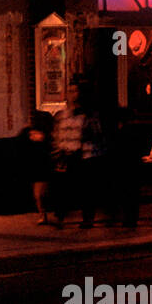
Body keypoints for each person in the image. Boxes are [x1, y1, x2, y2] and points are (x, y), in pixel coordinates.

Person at [52, 79, 105, 229]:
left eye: (75, 91)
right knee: (63, 188)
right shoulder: (62, 115)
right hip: (67, 155)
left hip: (84, 157)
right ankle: (60, 217)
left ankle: (88, 218)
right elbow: (57, 135)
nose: (73, 95)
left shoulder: (89, 115)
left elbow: (97, 135)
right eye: (70, 91)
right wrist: (58, 152)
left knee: (86, 190)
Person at [104, 106, 142, 228]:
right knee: (132, 194)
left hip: (123, 167)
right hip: (132, 166)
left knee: (125, 193)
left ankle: (128, 218)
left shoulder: (120, 133)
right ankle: (132, 218)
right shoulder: (134, 132)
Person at [18, 110, 55, 223]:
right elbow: (20, 143)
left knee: (40, 193)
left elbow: (50, 147)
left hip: (43, 166)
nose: (31, 120)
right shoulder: (27, 132)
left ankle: (44, 214)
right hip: (33, 166)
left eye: (33, 118)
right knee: (37, 193)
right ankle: (42, 214)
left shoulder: (46, 133)